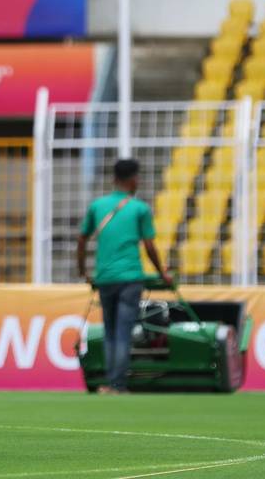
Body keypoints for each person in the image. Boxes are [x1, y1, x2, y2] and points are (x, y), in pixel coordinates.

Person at [77, 159, 171, 394]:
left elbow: (81, 239)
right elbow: (149, 247)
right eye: (137, 177)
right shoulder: (139, 209)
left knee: (110, 330)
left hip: (106, 277)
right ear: (132, 179)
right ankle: (118, 384)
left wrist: (83, 272)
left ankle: (111, 381)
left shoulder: (98, 206)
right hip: (130, 277)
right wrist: (163, 273)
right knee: (123, 330)